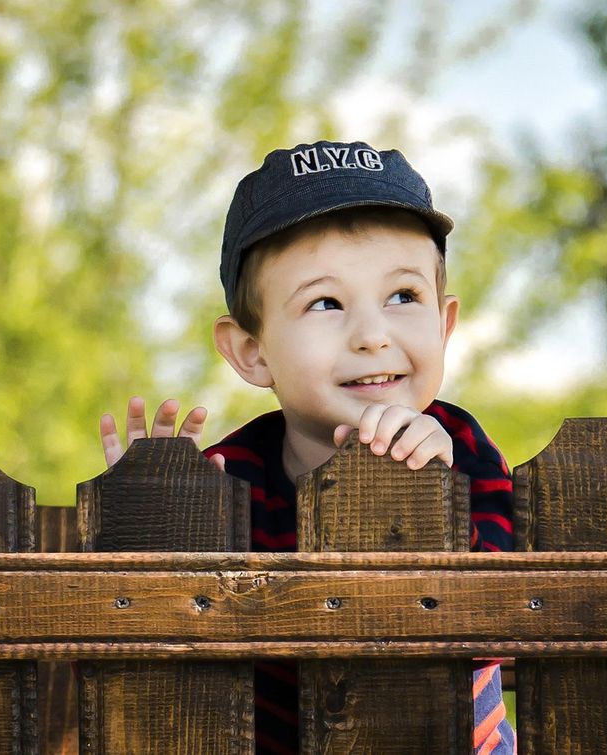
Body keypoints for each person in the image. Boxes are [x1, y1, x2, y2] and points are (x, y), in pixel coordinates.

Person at [99, 140, 516, 754]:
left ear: (445, 325)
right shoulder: (226, 482)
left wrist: (440, 491)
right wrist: (144, 522)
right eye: (326, 303)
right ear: (252, 351)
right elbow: (130, 667)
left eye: (403, 297)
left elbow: (504, 628)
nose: (373, 336)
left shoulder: (465, 452)